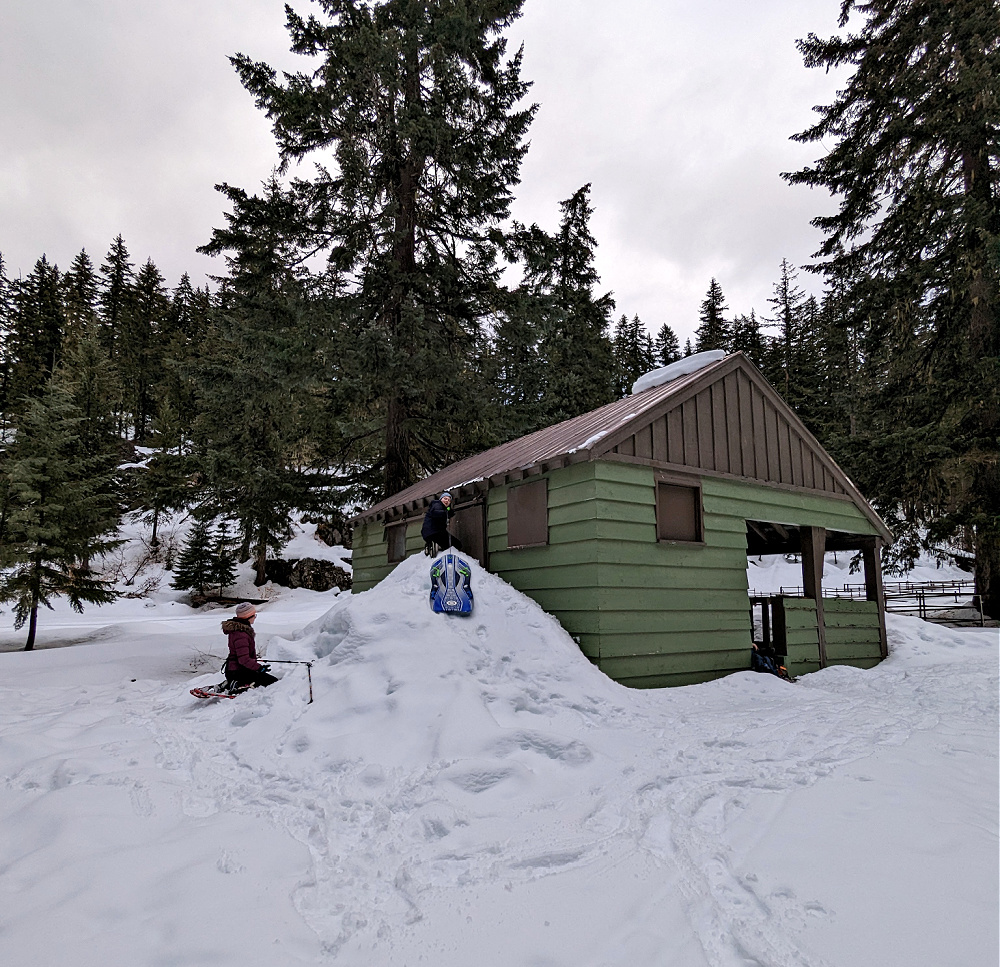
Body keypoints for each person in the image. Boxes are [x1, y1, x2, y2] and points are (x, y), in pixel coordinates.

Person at [222, 602, 278, 688]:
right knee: (273, 683)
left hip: (239, 670)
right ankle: (235, 684)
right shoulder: (241, 634)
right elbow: (243, 660)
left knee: (270, 681)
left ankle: (235, 683)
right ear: (248, 617)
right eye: (254, 615)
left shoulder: (240, 631)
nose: (255, 617)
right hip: (238, 672)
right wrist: (259, 668)